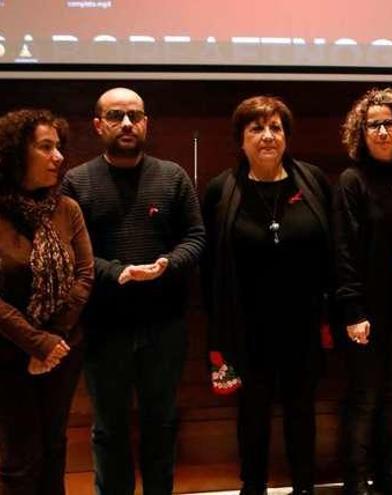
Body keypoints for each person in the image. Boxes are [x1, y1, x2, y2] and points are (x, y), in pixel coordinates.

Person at [61, 88, 206, 495]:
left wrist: (167, 264)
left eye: (135, 115)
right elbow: (74, 251)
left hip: (165, 327)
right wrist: (119, 273)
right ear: (97, 125)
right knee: (109, 430)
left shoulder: (172, 175)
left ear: (146, 123)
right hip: (105, 329)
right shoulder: (77, 181)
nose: (126, 123)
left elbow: (195, 237)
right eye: (115, 115)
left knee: (161, 425)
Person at [201, 95, 332, 495]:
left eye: (275, 128)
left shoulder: (313, 181)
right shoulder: (221, 191)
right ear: (240, 140)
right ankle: (252, 486)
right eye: (256, 128)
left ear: (287, 137)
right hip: (247, 328)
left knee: (301, 412)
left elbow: (335, 249)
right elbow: (208, 268)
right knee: (252, 415)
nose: (267, 136)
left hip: (304, 325)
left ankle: (304, 486)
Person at [334, 88, 392, 495]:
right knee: (364, 398)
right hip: (364, 312)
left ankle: (387, 472)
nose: (383, 131)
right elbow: (343, 251)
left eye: (390, 124)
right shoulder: (352, 181)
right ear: (362, 131)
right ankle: (355, 478)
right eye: (374, 125)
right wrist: (353, 311)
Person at [0, 109, 94, 494]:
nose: (58, 157)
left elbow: (84, 275)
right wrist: (36, 343)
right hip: (7, 353)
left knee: (55, 446)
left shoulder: (66, 208)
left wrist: (54, 338)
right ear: (16, 153)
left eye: (59, 147)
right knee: (21, 456)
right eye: (45, 147)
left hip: (63, 348)